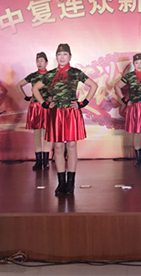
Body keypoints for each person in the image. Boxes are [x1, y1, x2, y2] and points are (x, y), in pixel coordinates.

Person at [32, 44, 98, 195]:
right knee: (58, 147)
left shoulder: (76, 73)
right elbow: (35, 89)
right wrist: (44, 103)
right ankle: (61, 182)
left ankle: (71, 183)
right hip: (56, 113)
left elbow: (93, 85)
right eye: (59, 55)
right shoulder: (50, 74)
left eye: (65, 54)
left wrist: (83, 103)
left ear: (70, 56)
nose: (62, 57)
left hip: (71, 113)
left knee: (72, 146)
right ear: (56, 57)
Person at [16, 52, 52, 170]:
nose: (39, 63)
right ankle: (38, 161)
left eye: (42, 61)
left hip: (47, 107)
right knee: (37, 134)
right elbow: (19, 85)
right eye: (38, 61)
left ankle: (46, 161)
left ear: (46, 62)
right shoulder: (32, 76)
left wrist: (52, 99)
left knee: (46, 134)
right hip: (35, 107)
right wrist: (26, 97)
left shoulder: (51, 75)